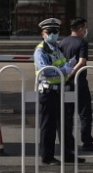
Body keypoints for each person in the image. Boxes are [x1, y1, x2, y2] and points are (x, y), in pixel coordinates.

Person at [33, 17, 84, 165]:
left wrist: (69, 65)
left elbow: (61, 64)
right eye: (50, 32)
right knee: (48, 125)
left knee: (65, 125)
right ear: (43, 34)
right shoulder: (41, 50)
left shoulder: (57, 48)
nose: (53, 35)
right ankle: (47, 157)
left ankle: (68, 154)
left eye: (55, 31)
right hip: (48, 91)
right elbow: (45, 70)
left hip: (60, 89)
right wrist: (64, 70)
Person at [59, 17, 93, 152]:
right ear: (80, 28)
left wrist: (66, 75)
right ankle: (87, 142)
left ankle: (67, 143)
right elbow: (81, 61)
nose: (86, 30)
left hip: (65, 82)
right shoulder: (82, 42)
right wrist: (73, 73)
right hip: (79, 82)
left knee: (67, 114)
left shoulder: (63, 42)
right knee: (84, 113)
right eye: (85, 28)